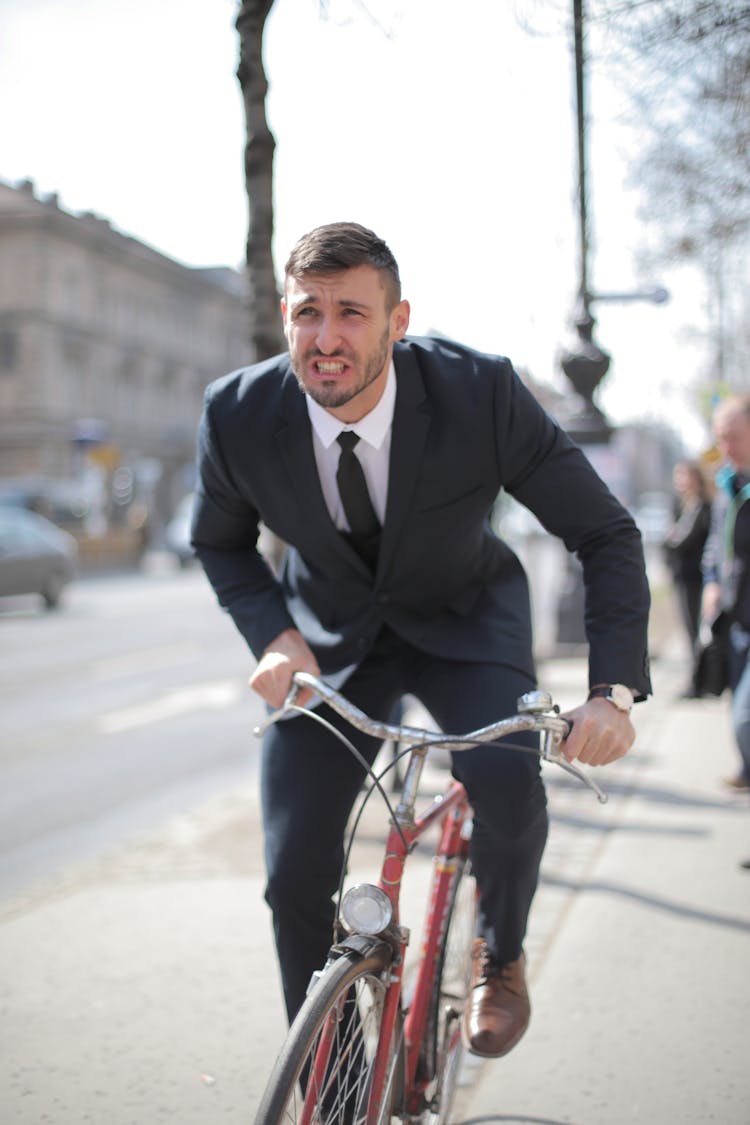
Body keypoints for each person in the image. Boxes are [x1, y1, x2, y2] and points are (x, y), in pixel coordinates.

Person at [191, 222, 651, 1059]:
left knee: (508, 786)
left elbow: (607, 535)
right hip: (325, 641)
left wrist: (610, 692)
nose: (325, 338)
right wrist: (274, 634)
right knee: (293, 867)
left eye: (352, 314)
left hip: (465, 622)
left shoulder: (481, 393)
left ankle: (499, 954)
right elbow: (219, 541)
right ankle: (329, 1065)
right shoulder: (239, 412)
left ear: (399, 320)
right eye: (308, 313)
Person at [702, 394, 750, 793]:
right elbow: (717, 545)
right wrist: (712, 581)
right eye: (720, 437)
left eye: (733, 436)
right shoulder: (727, 484)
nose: (725, 447)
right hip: (737, 620)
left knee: (744, 718)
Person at [662, 460, 712, 697]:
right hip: (682, 576)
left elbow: (680, 541)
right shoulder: (679, 506)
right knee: (689, 629)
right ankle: (697, 678)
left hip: (697, 577)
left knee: (696, 628)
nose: (682, 482)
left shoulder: (703, 507)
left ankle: (699, 681)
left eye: (686, 476)